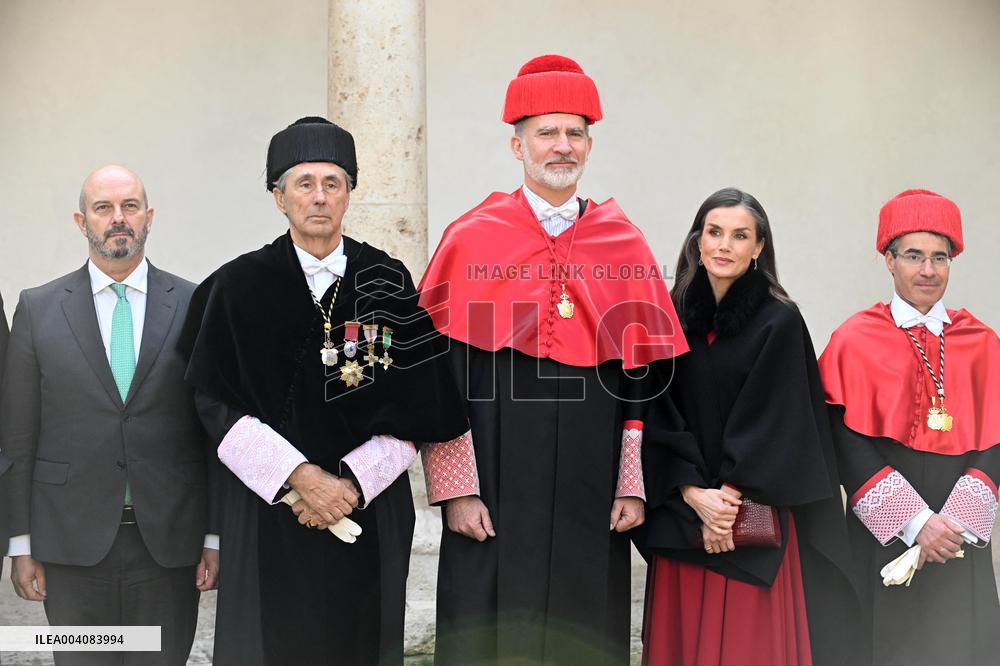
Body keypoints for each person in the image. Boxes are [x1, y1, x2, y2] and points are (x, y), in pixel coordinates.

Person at [417, 55, 688, 665]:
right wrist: (456, 490)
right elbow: (438, 378)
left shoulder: (624, 243)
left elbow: (643, 382)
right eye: (546, 133)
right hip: (493, 479)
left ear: (589, 145)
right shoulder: (471, 237)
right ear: (518, 146)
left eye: (575, 133)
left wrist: (632, 483)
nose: (562, 146)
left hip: (592, 482)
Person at [179, 116, 469, 665]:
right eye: (304, 183)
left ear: (348, 194)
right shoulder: (235, 287)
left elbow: (423, 403)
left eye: (332, 183)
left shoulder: (387, 280)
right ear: (278, 197)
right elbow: (212, 404)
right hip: (268, 512)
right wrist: (300, 478)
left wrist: (350, 485)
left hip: (368, 512)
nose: (319, 197)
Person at [1, 165, 218, 665]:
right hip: (69, 546)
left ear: (149, 217)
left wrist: (214, 536)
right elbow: (18, 435)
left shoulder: (194, 303)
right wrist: (20, 543)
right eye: (103, 208)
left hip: (169, 544)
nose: (118, 218)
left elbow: (211, 432)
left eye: (130, 206)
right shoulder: (37, 308)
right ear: (82, 222)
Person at [635, 188, 858, 666]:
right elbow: (656, 411)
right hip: (683, 514)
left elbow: (781, 419)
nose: (724, 245)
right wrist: (694, 494)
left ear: (758, 247)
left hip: (754, 517)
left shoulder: (780, 321)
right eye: (714, 232)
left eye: (740, 236)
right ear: (697, 241)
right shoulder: (669, 317)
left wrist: (727, 503)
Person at [818, 189, 1000, 665]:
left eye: (940, 257)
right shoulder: (854, 339)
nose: (928, 270)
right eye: (914, 256)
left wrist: (952, 525)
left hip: (958, 540)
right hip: (883, 539)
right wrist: (916, 524)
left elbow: (995, 439)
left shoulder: (981, 341)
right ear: (889, 260)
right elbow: (844, 440)